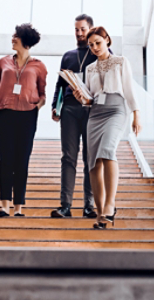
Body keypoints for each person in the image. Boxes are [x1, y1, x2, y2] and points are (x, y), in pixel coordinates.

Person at [72, 26, 141, 229]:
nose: (94, 47)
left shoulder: (120, 61)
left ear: (107, 40)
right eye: (91, 44)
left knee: (107, 151)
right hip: (95, 113)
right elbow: (90, 97)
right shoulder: (90, 68)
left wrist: (137, 114)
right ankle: (101, 213)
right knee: (93, 162)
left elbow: (128, 88)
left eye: (98, 43)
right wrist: (81, 99)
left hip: (116, 110)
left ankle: (110, 205)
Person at [0, 23, 47, 217]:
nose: (12, 39)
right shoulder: (3, 62)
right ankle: (5, 205)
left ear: (26, 41)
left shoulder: (38, 66)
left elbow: (43, 94)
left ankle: (19, 207)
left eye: (16, 36)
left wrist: (35, 107)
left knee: (22, 160)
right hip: (4, 115)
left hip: (27, 116)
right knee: (6, 159)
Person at [50, 14, 99, 218]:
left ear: (91, 29)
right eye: (76, 29)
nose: (79, 33)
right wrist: (56, 106)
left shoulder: (99, 52)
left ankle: (89, 205)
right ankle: (65, 206)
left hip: (91, 109)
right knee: (68, 157)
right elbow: (60, 84)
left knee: (90, 159)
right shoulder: (68, 56)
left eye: (83, 29)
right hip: (69, 109)